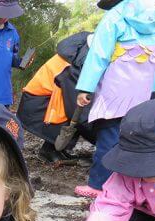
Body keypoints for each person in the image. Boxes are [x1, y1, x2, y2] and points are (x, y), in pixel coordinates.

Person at [73, 0, 155, 198]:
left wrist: (85, 88)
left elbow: (99, 55)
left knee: (109, 137)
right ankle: (133, 184)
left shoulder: (114, 16)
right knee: (135, 135)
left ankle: (98, 185)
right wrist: (153, 87)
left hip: (116, 90)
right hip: (142, 90)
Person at [17, 31, 97, 164]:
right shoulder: (75, 65)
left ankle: (56, 149)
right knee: (75, 111)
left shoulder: (78, 52)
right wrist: (101, 139)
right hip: (38, 104)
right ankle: (49, 151)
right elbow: (77, 108)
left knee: (74, 109)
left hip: (42, 100)